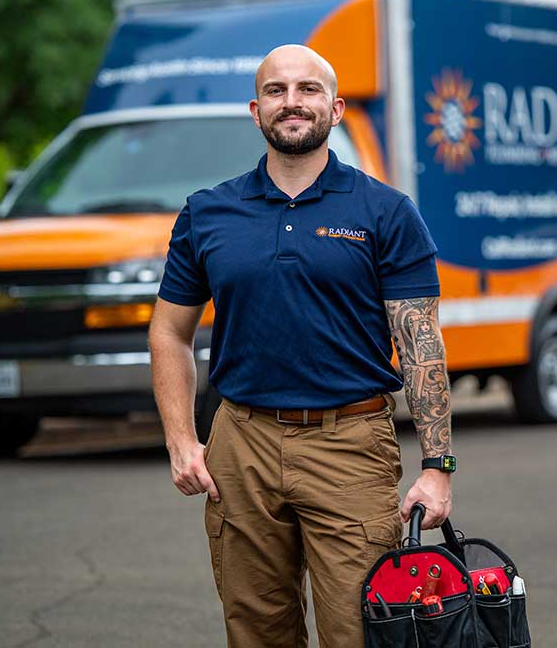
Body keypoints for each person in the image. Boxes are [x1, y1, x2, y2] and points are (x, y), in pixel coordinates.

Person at [148, 44, 455, 648]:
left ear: (335, 109)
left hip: (351, 443)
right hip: (241, 443)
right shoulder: (208, 213)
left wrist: (437, 467)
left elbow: (422, 347)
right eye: (276, 90)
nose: (292, 102)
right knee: (257, 631)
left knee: (359, 631)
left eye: (308, 89)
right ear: (255, 110)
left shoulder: (386, 211)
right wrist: (181, 439)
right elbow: (169, 331)